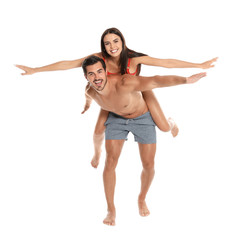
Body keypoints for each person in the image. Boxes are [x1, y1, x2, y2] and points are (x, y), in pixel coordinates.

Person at [15, 28, 217, 168]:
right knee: (97, 131)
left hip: (138, 92)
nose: (112, 46)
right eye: (107, 43)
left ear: (122, 41)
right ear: (103, 46)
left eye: (116, 41)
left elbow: (166, 63)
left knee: (163, 128)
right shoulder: (98, 58)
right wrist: (35, 70)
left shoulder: (133, 58)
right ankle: (96, 154)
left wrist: (198, 65)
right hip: (110, 99)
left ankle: (171, 122)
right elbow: (68, 64)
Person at [82, 55, 207, 226]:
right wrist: (87, 105)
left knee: (149, 164)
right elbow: (88, 96)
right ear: (86, 77)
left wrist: (186, 80)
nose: (96, 77)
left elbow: (156, 81)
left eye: (99, 72)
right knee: (109, 162)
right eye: (91, 74)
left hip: (142, 116)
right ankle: (111, 210)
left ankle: (141, 198)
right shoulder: (89, 90)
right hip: (117, 118)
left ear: (106, 72)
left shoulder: (124, 83)